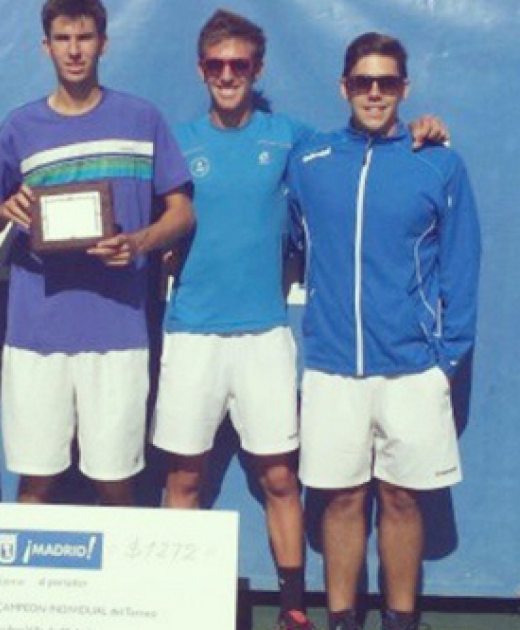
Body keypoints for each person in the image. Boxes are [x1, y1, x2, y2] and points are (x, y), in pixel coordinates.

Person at [150, 11, 453, 630]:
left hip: (265, 333)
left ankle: (293, 606)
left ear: (257, 70)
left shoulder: (296, 141)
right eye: (216, 65)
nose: (228, 75)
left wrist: (423, 129)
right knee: (183, 474)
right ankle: (168, 604)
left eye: (240, 65)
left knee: (281, 476)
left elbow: (360, 149)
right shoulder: (175, 141)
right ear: (201, 70)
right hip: (191, 331)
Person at [287, 33, 480, 630]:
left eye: (388, 82)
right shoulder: (309, 161)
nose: (375, 93)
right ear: (344, 87)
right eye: (363, 82)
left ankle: (402, 619)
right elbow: (291, 244)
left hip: (413, 370)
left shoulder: (439, 162)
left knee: (401, 500)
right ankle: (343, 619)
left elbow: (462, 269)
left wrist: (443, 362)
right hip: (331, 366)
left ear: (405, 88)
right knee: (340, 502)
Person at [0, 0, 195, 507]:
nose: (74, 50)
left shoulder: (142, 119)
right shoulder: (19, 127)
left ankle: (119, 589)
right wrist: (6, 208)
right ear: (45, 45)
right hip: (36, 335)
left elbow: (182, 213)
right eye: (62, 38)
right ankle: (28, 590)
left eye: (85, 37)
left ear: (104, 42)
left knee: (117, 483)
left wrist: (138, 242)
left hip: (117, 333)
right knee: (35, 483)